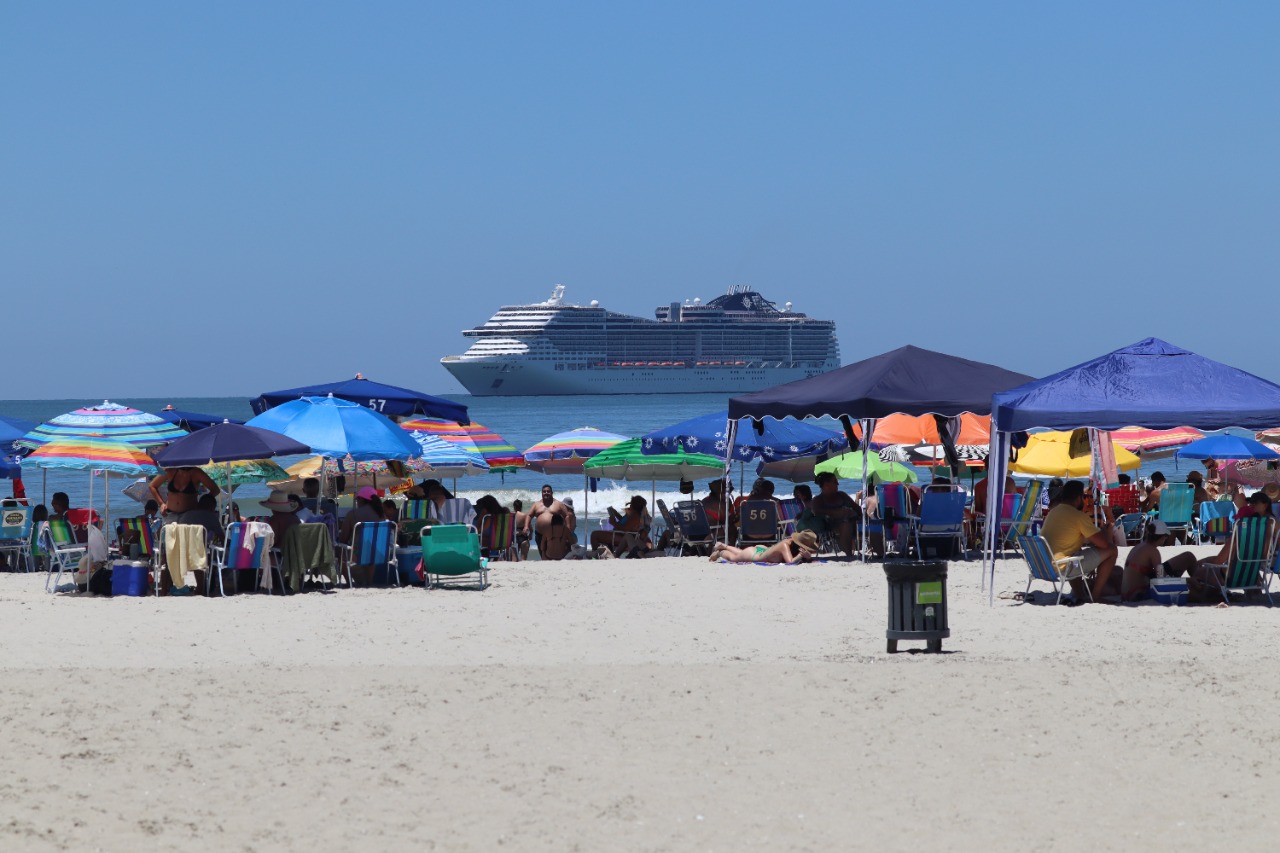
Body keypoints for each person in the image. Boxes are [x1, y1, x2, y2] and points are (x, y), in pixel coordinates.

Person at [1039, 480, 1120, 602]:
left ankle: (1080, 594)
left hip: (1045, 565)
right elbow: (1104, 545)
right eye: (1083, 497)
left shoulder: (1053, 512)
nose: (1084, 500)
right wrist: (1107, 533)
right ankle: (1095, 596)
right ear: (1078, 498)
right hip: (1062, 566)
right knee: (1112, 550)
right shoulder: (1078, 516)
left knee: (1076, 551)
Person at [1189, 491, 1278, 599]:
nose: (1251, 505)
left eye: (1255, 502)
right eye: (1250, 502)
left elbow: (1218, 561)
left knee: (1198, 570)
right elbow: (1264, 554)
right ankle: (1253, 592)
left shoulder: (1243, 533)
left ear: (1265, 504)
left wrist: (1203, 562)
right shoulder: (1270, 524)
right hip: (1253, 570)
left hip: (1231, 576)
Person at [1120, 519, 1197, 601]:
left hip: (1127, 594)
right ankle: (1199, 585)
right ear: (1162, 537)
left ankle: (1197, 583)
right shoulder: (1153, 551)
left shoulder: (1139, 547)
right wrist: (1188, 580)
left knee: (1188, 556)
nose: (1166, 539)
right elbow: (1162, 579)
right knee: (1190, 593)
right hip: (1138, 596)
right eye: (1166, 536)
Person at [799, 472, 859, 557]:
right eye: (834, 481)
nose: (838, 484)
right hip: (832, 526)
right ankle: (848, 555)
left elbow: (857, 508)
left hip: (852, 522)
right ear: (826, 484)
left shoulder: (842, 495)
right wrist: (836, 512)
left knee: (870, 522)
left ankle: (879, 553)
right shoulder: (818, 500)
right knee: (845, 524)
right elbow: (817, 513)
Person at [340, 486, 386, 585]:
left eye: (357, 499)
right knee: (369, 548)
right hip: (378, 554)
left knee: (338, 549)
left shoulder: (353, 514)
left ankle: (349, 583)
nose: (356, 502)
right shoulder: (381, 515)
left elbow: (343, 539)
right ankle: (368, 581)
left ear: (361, 499)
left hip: (357, 555)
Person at [708, 529, 819, 564]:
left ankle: (724, 546)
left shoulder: (791, 544)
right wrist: (801, 555)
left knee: (739, 552)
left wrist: (807, 557)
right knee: (734, 558)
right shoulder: (785, 545)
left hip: (763, 550)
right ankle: (720, 552)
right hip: (754, 555)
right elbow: (790, 562)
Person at [149, 466, 221, 519]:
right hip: (170, 514)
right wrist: (161, 503)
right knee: (171, 539)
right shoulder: (170, 471)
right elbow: (152, 486)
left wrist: (202, 504)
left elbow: (215, 490)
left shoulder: (197, 473)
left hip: (190, 516)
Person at [529, 484, 575, 560]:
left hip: (555, 534)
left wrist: (568, 527)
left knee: (555, 553)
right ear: (541, 493)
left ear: (552, 493)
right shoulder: (536, 504)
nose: (546, 493)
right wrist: (526, 526)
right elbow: (529, 515)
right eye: (544, 491)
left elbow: (566, 515)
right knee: (542, 552)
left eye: (548, 491)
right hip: (540, 534)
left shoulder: (558, 504)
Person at [733, 478, 779, 543]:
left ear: (759, 489)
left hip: (749, 535)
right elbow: (780, 519)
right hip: (770, 535)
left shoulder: (747, 502)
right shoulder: (776, 502)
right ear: (772, 490)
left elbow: (739, 515)